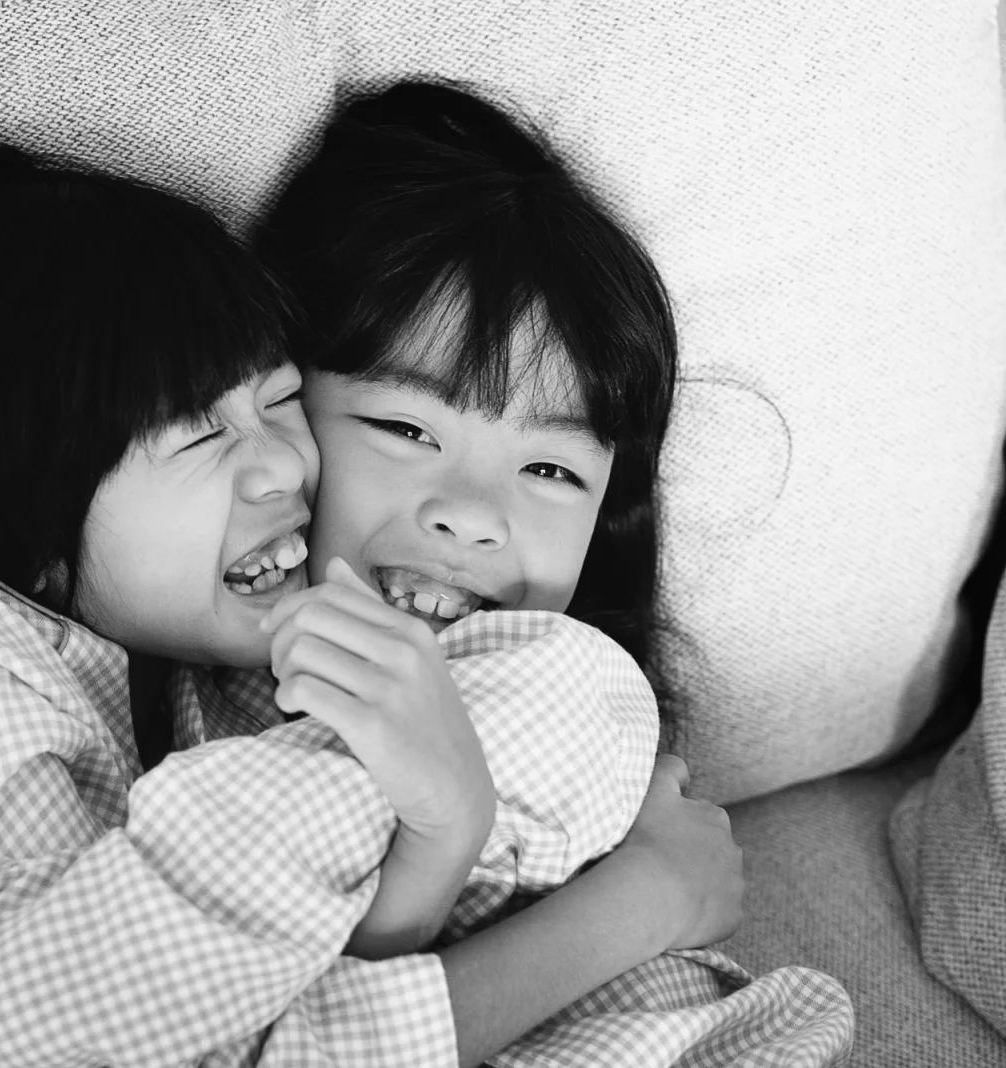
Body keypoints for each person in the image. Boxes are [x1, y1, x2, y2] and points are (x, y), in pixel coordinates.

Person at [0, 90, 747, 1068]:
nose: (279, 465)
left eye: (276, 403)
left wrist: (447, 846)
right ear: (23, 506)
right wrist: (619, 905)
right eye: (396, 427)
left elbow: (223, 1011)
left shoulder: (212, 689)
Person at [230, 80, 852, 1064]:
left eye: (551, 469)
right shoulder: (209, 681)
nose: (474, 515)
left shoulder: (563, 703)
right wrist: (644, 900)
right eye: (403, 428)